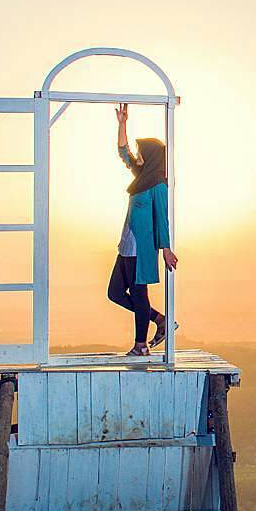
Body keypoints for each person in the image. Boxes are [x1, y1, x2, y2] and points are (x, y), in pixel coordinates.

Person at [107, 103, 178, 355]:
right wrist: (122, 124)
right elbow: (123, 153)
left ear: (152, 158)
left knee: (138, 294)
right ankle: (160, 320)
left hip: (140, 248)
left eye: (142, 154)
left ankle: (141, 346)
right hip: (126, 246)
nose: (139, 157)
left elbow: (162, 219)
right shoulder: (141, 178)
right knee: (115, 292)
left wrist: (166, 249)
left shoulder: (157, 185)